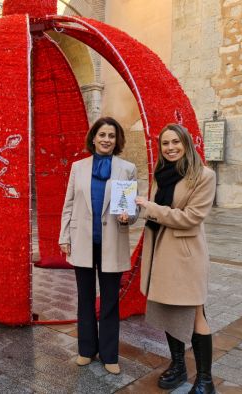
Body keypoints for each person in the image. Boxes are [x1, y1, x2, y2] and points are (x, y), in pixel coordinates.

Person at [135, 123, 216, 393]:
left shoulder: (204, 175)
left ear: (186, 143)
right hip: (160, 251)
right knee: (168, 310)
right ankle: (178, 366)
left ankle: (205, 380)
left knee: (196, 315)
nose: (170, 148)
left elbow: (192, 218)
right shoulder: (162, 173)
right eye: (165, 143)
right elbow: (154, 210)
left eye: (175, 142)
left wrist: (152, 209)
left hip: (185, 256)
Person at [59, 117, 138, 374]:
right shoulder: (78, 167)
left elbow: (132, 207)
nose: (106, 140)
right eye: (102, 135)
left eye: (111, 136)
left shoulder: (127, 168)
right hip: (82, 241)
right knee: (84, 298)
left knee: (110, 301)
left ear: (117, 141)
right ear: (93, 138)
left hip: (112, 242)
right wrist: (64, 237)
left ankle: (109, 354)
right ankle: (85, 350)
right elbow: (69, 204)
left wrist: (131, 215)